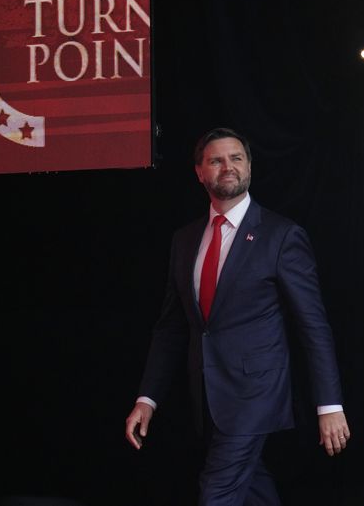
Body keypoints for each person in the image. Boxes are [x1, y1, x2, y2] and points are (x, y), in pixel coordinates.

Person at [125, 127, 350, 505]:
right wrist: (147, 399)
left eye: (236, 158)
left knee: (217, 495)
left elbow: (312, 325)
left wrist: (329, 404)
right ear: (199, 172)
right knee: (254, 491)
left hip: (256, 395)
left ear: (249, 167)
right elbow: (172, 328)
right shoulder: (185, 240)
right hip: (207, 398)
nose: (227, 167)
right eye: (216, 160)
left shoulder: (281, 236)